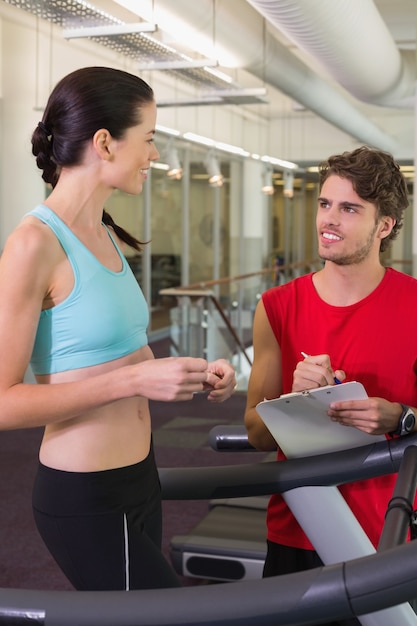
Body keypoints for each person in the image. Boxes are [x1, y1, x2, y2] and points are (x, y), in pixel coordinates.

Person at [0, 66, 236, 592]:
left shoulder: (105, 231)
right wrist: (131, 383)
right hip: (83, 495)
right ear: (105, 142)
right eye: (149, 139)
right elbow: (3, 401)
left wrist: (197, 376)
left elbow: (121, 354)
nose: (155, 155)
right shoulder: (32, 245)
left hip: (140, 475)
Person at [244, 146, 417, 625]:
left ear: (384, 226)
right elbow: (256, 432)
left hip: (391, 530)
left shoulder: (415, 305)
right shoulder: (276, 306)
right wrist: (294, 402)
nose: (329, 219)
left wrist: (400, 416)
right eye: (325, 204)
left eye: (349, 208)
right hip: (298, 528)